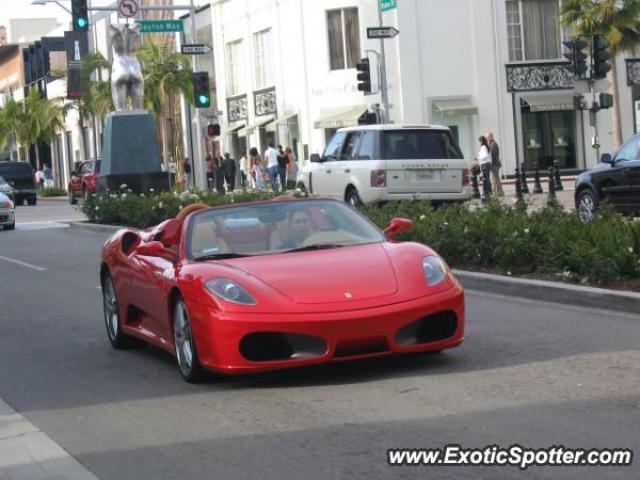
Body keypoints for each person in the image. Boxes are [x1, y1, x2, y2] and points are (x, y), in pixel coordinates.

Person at [487, 132, 504, 196]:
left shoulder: (494, 144)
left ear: (491, 136)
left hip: (495, 164)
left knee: (496, 178)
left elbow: (491, 154)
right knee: (494, 178)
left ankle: (500, 192)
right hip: (493, 164)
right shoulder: (490, 144)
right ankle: (495, 191)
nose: (487, 138)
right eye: (487, 137)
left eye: (488, 137)